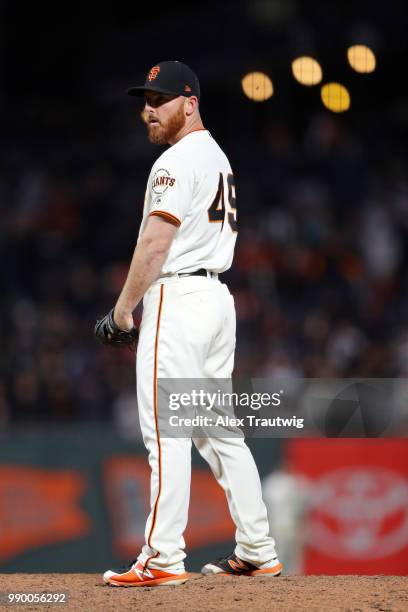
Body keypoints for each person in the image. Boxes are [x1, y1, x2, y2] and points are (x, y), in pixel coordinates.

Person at [102, 60, 282, 587]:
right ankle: (257, 547)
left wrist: (121, 310)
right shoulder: (217, 157)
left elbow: (155, 243)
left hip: (179, 298)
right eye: (146, 101)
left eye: (159, 100)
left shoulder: (178, 160)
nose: (148, 111)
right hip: (215, 301)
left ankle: (162, 557)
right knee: (220, 433)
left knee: (167, 433)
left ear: (190, 102)